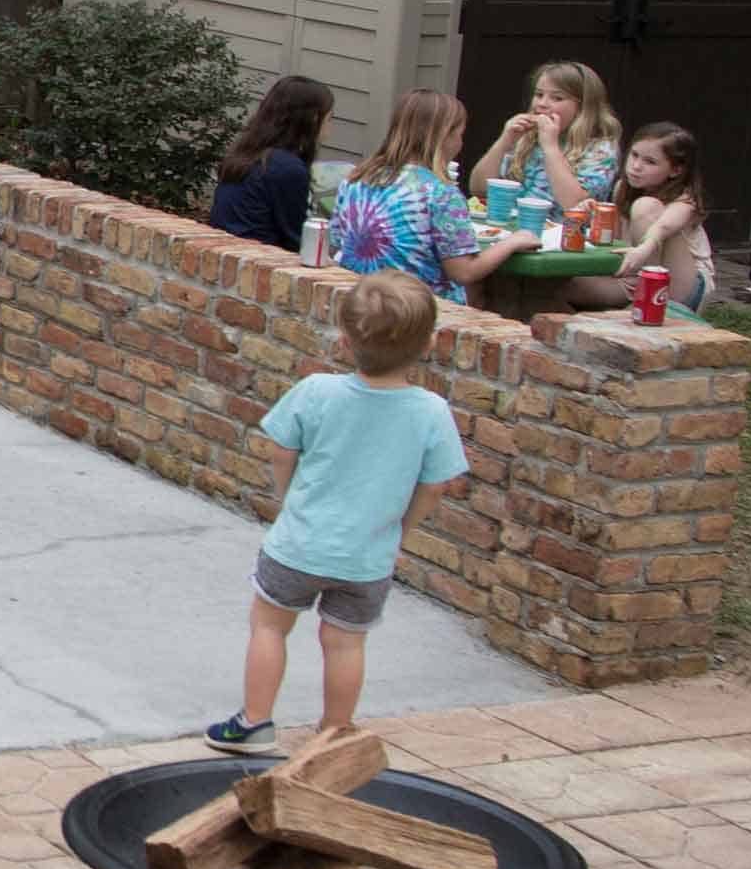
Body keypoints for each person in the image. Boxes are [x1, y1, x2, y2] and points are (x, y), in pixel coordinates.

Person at [205, 271, 469, 754]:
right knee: (345, 642)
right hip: (368, 557)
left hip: (298, 544)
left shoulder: (316, 392)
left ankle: (255, 723)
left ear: (344, 341)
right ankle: (333, 734)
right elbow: (437, 485)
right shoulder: (431, 411)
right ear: (429, 343)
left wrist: (288, 498)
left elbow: (281, 448)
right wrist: (402, 531)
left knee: (269, 625)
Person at [329, 89, 533, 303]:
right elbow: (464, 271)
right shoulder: (441, 193)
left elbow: (335, 246)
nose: (461, 143)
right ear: (444, 137)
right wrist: (512, 242)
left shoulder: (355, 180)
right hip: (418, 312)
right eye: (460, 135)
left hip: (362, 302)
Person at [465, 59, 621, 223]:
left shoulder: (601, 149)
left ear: (583, 108)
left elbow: (574, 205)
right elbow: (479, 190)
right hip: (511, 229)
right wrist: (504, 142)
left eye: (557, 98)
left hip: (565, 238)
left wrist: (550, 147)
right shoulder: (527, 138)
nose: (542, 104)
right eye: (539, 95)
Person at [207, 75, 336, 250]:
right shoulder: (286, 168)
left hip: (224, 253)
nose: (331, 126)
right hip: (260, 261)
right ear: (314, 118)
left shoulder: (247, 154)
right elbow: (296, 239)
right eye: (330, 118)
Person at [607, 122, 717, 314]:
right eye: (634, 155)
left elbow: (664, 226)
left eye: (650, 162)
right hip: (634, 278)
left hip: (684, 285)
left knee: (645, 206)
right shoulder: (621, 189)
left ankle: (648, 304)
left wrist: (645, 247)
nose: (636, 166)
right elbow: (615, 243)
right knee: (563, 287)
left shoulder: (685, 198)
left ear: (676, 170)